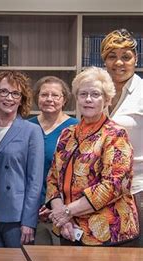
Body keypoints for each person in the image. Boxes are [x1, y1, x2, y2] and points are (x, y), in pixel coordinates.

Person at [46, 67, 139, 246]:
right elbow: (52, 178)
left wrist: (66, 211)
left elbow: (112, 186)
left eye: (95, 94)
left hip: (108, 234)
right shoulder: (67, 134)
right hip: (69, 229)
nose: (88, 99)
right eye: (83, 94)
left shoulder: (115, 135)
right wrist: (63, 217)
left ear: (107, 100)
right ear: (77, 98)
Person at [0, 71, 44, 248]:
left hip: (16, 217)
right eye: (4, 92)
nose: (9, 98)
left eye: (15, 93)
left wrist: (29, 221)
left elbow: (35, 181)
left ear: (22, 99)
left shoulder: (31, 130)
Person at [101, 29, 143, 247]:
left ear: (136, 59)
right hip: (104, 190)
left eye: (126, 56)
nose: (119, 62)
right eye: (112, 56)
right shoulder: (98, 92)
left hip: (138, 188)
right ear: (104, 61)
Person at [28, 76, 78, 245]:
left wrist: (56, 207)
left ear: (64, 99)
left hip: (65, 213)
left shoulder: (75, 128)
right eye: (44, 95)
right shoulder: (26, 127)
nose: (49, 99)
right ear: (37, 98)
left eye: (55, 95)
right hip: (29, 211)